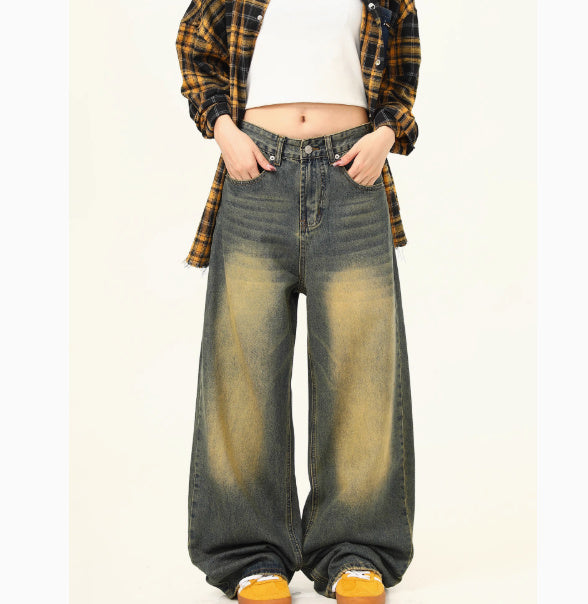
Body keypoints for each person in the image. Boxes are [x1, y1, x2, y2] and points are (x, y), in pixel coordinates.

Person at [175, 1, 421, 603]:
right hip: (255, 173)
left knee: (363, 373)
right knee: (243, 373)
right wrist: (225, 131)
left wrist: (385, 135)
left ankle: (356, 551)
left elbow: (402, 76)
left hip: (354, 176)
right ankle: (249, 555)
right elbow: (194, 48)